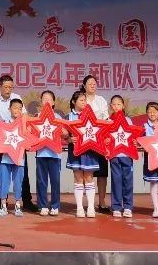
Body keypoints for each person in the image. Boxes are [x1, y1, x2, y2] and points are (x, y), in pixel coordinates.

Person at [0, 74, 36, 212]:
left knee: (21, 173)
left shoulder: (17, 98)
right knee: (3, 172)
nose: (8, 90)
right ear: (0, 86)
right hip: (2, 141)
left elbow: (24, 117)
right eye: (6, 87)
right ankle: (2, 201)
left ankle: (24, 201)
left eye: (10, 87)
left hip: (18, 140)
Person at [65, 90, 98, 218]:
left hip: (89, 151)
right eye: (82, 100)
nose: (84, 102)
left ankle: (90, 208)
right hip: (76, 151)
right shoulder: (69, 117)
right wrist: (68, 139)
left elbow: (98, 131)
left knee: (89, 178)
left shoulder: (91, 116)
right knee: (78, 178)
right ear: (74, 102)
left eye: (85, 100)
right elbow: (64, 134)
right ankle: (79, 208)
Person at [82, 75, 110, 212]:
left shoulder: (101, 100)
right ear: (84, 86)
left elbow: (106, 118)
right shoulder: (81, 99)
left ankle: (102, 202)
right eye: (90, 83)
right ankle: (89, 203)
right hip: (85, 139)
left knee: (102, 173)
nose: (93, 85)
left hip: (100, 139)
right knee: (87, 172)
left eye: (94, 83)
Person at [0, 98, 26, 217]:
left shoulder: (24, 124)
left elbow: (28, 137)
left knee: (18, 182)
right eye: (14, 107)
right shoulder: (4, 123)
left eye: (19, 108)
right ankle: (3, 206)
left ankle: (18, 206)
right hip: (5, 158)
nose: (17, 110)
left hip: (19, 158)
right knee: (3, 182)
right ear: (9, 109)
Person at [35, 90, 61, 216]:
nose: (46, 101)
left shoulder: (58, 117)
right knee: (41, 181)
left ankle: (55, 205)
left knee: (55, 181)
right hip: (41, 154)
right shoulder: (37, 116)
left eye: (49, 99)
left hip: (55, 155)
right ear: (41, 101)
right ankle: (43, 205)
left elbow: (65, 133)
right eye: (44, 98)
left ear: (53, 102)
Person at [108, 95, 135, 218]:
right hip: (114, 155)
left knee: (127, 181)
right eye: (114, 104)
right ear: (111, 106)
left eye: (119, 104)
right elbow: (105, 137)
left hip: (127, 155)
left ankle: (128, 206)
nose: (116, 106)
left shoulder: (128, 120)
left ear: (123, 105)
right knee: (116, 180)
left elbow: (133, 136)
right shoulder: (109, 121)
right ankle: (117, 207)